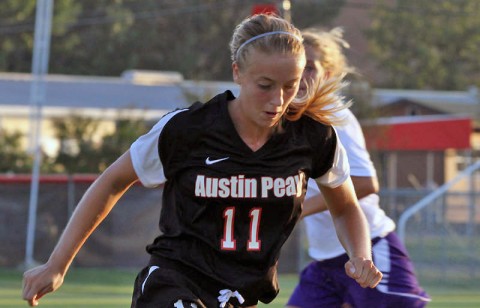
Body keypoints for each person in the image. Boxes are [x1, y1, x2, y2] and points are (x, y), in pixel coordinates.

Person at [22, 14, 383, 308]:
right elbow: (112, 181)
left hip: (240, 293)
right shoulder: (187, 130)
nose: (279, 99)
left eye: (290, 85)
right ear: (237, 73)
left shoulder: (314, 138)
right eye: (265, 84)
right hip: (173, 281)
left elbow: (346, 207)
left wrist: (360, 254)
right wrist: (57, 264)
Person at [286, 27, 431, 308]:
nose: (302, 76)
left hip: (371, 250)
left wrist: (295, 208)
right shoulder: (290, 122)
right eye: (298, 67)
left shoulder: (335, 116)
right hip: (326, 260)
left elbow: (365, 183)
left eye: (311, 67)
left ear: (327, 75)